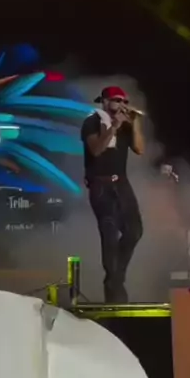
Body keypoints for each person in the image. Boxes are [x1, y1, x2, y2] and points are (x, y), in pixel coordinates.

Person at [81, 86, 144, 303]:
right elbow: (96, 150)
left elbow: (139, 149)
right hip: (101, 186)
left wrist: (135, 123)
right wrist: (114, 127)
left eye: (125, 101)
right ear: (105, 101)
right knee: (109, 234)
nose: (122, 105)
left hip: (122, 183)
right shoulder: (91, 122)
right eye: (117, 100)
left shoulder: (126, 125)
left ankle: (117, 277)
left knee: (135, 231)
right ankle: (113, 288)